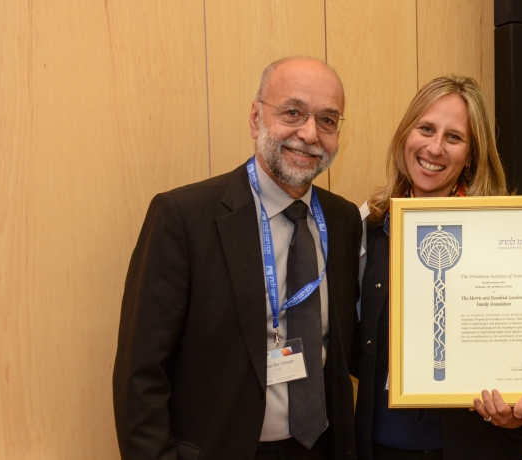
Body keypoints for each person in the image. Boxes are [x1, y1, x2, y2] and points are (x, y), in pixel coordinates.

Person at [113, 57, 363, 460]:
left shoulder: (344, 219)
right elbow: (139, 376)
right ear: (255, 118)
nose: (309, 133)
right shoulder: (183, 217)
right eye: (293, 112)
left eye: (328, 120)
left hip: (322, 448)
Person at [355, 75, 522, 460]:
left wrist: (516, 409)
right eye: (426, 129)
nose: (435, 147)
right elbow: (355, 344)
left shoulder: (504, 234)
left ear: (471, 156)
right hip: (379, 446)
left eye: (454, 137)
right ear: (405, 135)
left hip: (473, 447)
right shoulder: (370, 226)